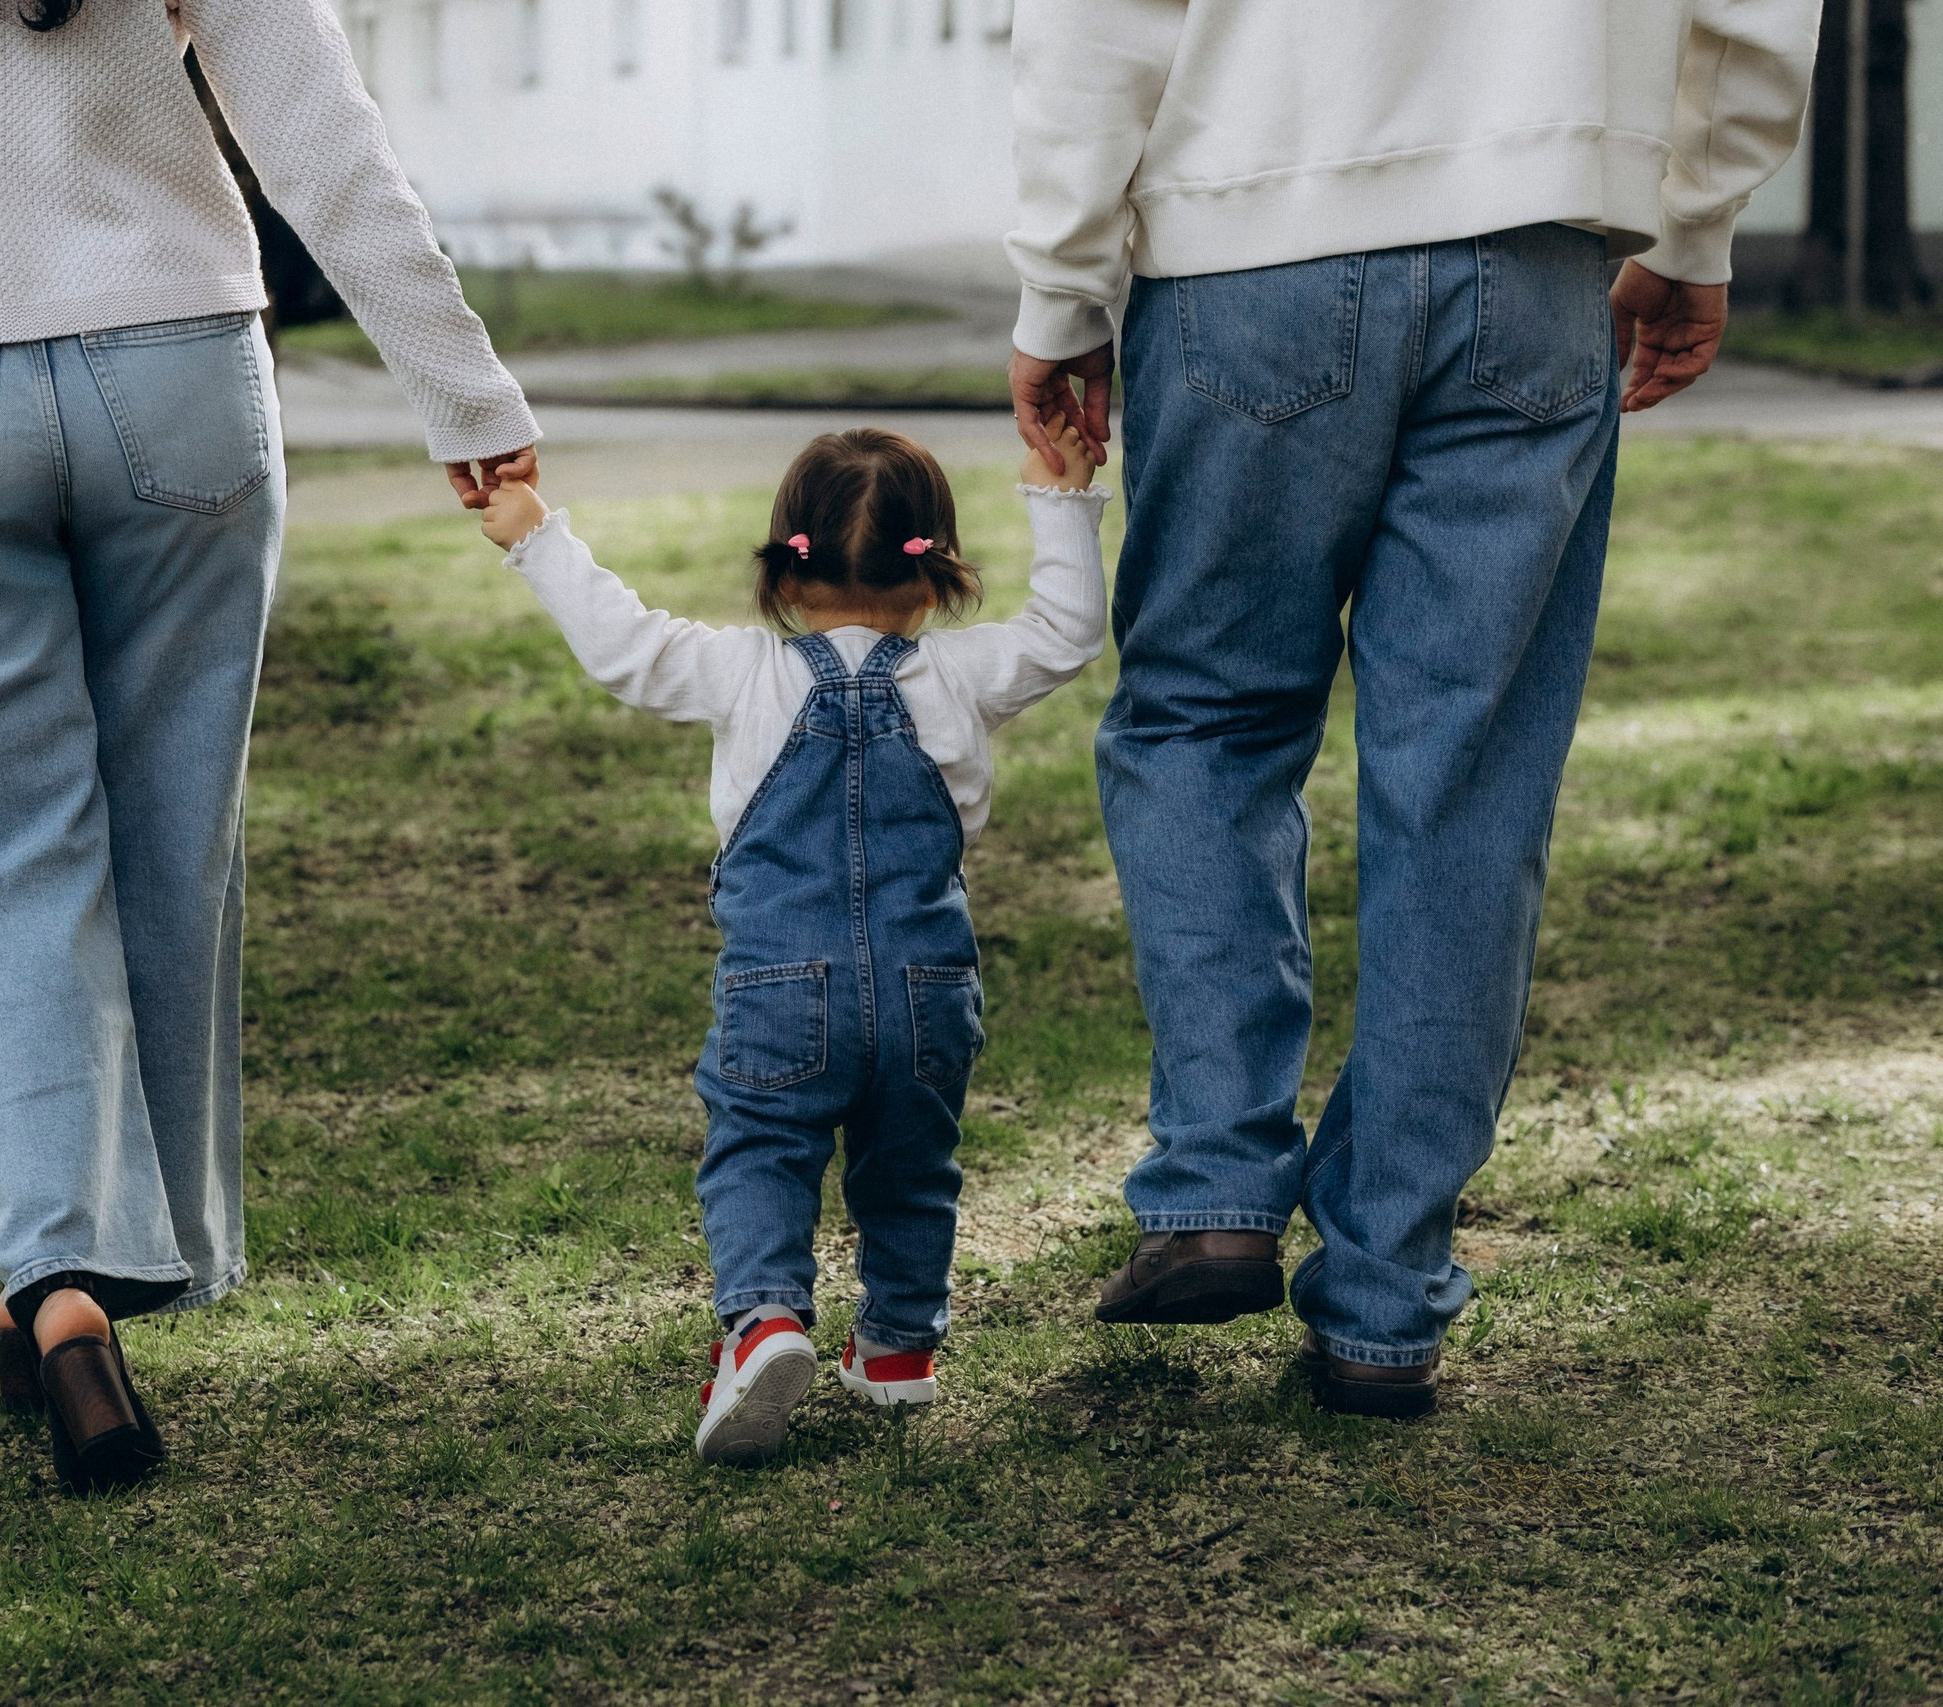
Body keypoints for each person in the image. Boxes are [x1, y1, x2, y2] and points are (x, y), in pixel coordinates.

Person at [0, 0, 537, 1491]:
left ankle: (60, 1280)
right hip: (180, 367)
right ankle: (100, 1271)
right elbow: (317, 127)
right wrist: (461, 387)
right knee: (167, 834)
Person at [1002, 0, 1820, 1417]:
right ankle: (1385, 1303)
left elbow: (1097, 18)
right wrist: (1694, 224)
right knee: (1468, 783)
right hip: (1540, 259)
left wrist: (1061, 292)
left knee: (1204, 722)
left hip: (1247, 245)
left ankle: (1214, 1188)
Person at [478, 426, 1108, 1464]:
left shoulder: (740, 672)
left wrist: (535, 536)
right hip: (926, 989)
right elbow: (1068, 631)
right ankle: (898, 1347)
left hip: (780, 988)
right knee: (912, 1164)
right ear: (938, 572)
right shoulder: (961, 676)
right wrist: (1062, 498)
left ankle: (764, 1321)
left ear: (782, 570)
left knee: (761, 1149)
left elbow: (622, 644)